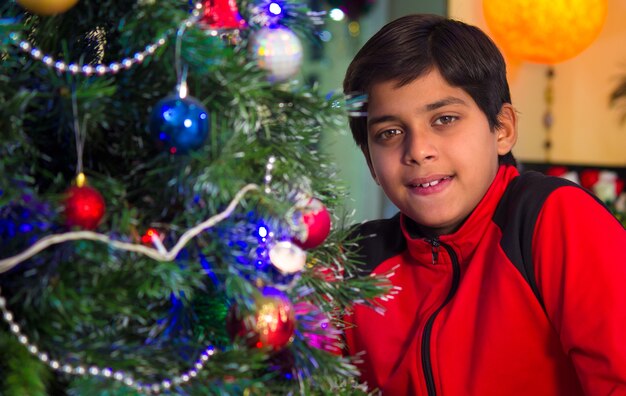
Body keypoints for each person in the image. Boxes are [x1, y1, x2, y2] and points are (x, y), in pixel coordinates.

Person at [342, 14, 626, 395]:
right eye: (390, 132)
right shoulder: (354, 264)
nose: (419, 151)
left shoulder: (553, 217)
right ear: (370, 161)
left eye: (444, 119)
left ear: (502, 129)